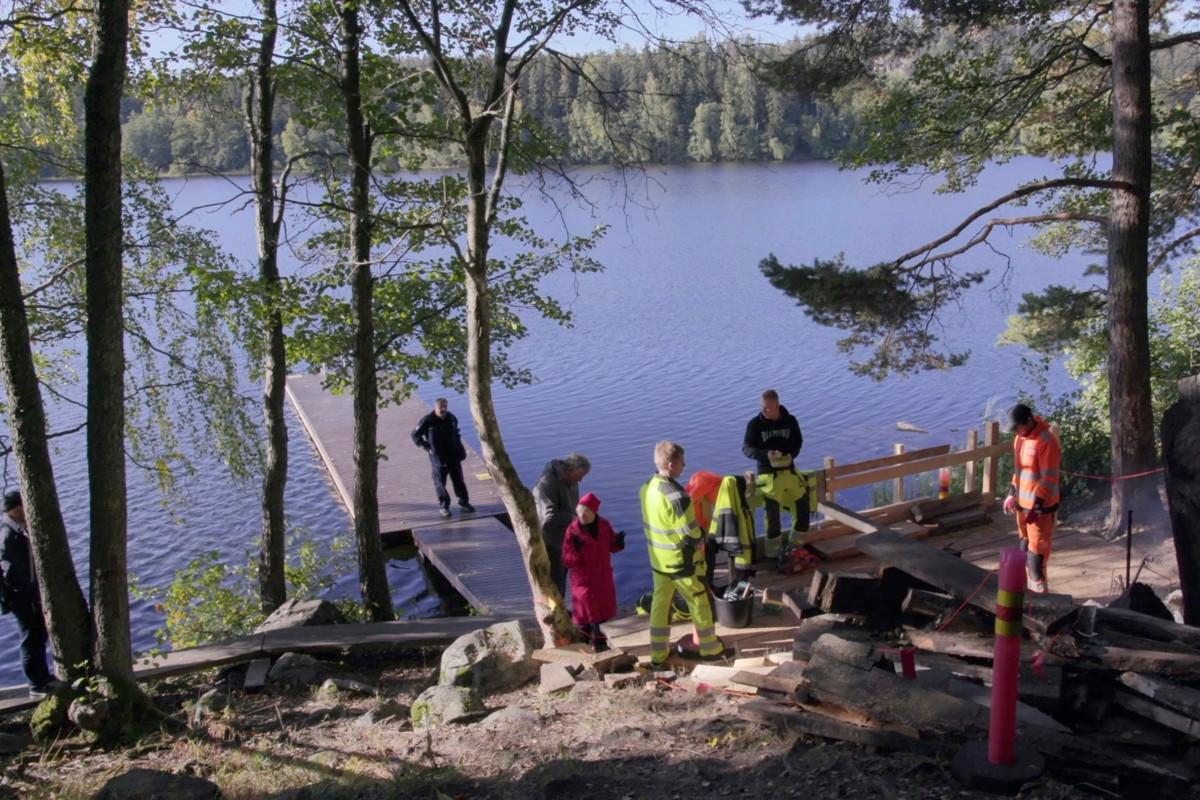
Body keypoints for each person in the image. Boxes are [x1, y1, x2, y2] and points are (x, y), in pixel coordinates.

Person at [640, 441, 726, 666]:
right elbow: (689, 534)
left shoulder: (647, 488)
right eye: (681, 463)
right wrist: (703, 537)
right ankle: (709, 647)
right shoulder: (678, 497)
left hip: (659, 561)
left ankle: (658, 653)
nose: (684, 467)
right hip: (681, 562)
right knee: (699, 601)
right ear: (670, 465)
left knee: (661, 605)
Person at [0, 491, 56, 698]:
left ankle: (44, 678)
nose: (27, 509)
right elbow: (10, 571)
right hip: (21, 598)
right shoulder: (9, 534)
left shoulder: (17, 528)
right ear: (15, 509)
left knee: (38, 635)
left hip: (28, 594)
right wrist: (28, 592)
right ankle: (36, 685)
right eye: (23, 506)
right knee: (31, 637)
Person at [1002, 403, 1062, 593]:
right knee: (1024, 546)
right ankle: (1025, 591)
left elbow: (1049, 479)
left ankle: (1040, 594)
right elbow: (1019, 472)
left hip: (1040, 509)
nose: (1016, 432)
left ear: (1029, 421)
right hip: (1022, 506)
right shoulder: (1020, 439)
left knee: (1037, 553)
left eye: (1018, 427)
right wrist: (1012, 494)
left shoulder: (1047, 441)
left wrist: (1037, 507)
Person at [742, 389, 805, 554]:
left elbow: (798, 442)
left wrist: (790, 454)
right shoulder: (755, 424)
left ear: (777, 405)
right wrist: (766, 454)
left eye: (768, 407)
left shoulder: (790, 421)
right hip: (767, 474)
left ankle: (796, 548)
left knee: (802, 509)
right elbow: (747, 449)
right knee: (772, 518)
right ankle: (773, 554)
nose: (764, 410)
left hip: (789, 470)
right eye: (762, 407)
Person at [561, 492, 625, 651]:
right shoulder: (572, 531)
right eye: (580, 513)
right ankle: (584, 644)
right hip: (584, 580)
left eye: (586, 513)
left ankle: (600, 644)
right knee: (586, 614)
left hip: (603, 577)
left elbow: (612, 547)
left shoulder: (604, 525)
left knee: (602, 613)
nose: (582, 516)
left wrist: (619, 543)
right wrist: (575, 550)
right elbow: (567, 561)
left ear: (594, 512)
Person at [533, 452, 590, 596]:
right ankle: (556, 612)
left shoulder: (571, 481)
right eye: (580, 475)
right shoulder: (547, 483)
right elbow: (548, 517)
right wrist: (573, 519)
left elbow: (573, 506)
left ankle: (561, 611)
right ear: (570, 469)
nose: (581, 480)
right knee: (555, 577)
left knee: (563, 575)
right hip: (552, 540)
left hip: (567, 536)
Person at [411, 398, 474, 518]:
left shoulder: (451, 418)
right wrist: (426, 446)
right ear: (435, 407)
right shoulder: (428, 420)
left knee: (459, 480)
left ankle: (464, 502)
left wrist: (461, 450)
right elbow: (415, 435)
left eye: (445, 407)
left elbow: (456, 434)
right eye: (441, 407)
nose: (443, 409)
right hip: (438, 458)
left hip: (453, 456)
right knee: (440, 483)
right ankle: (444, 506)